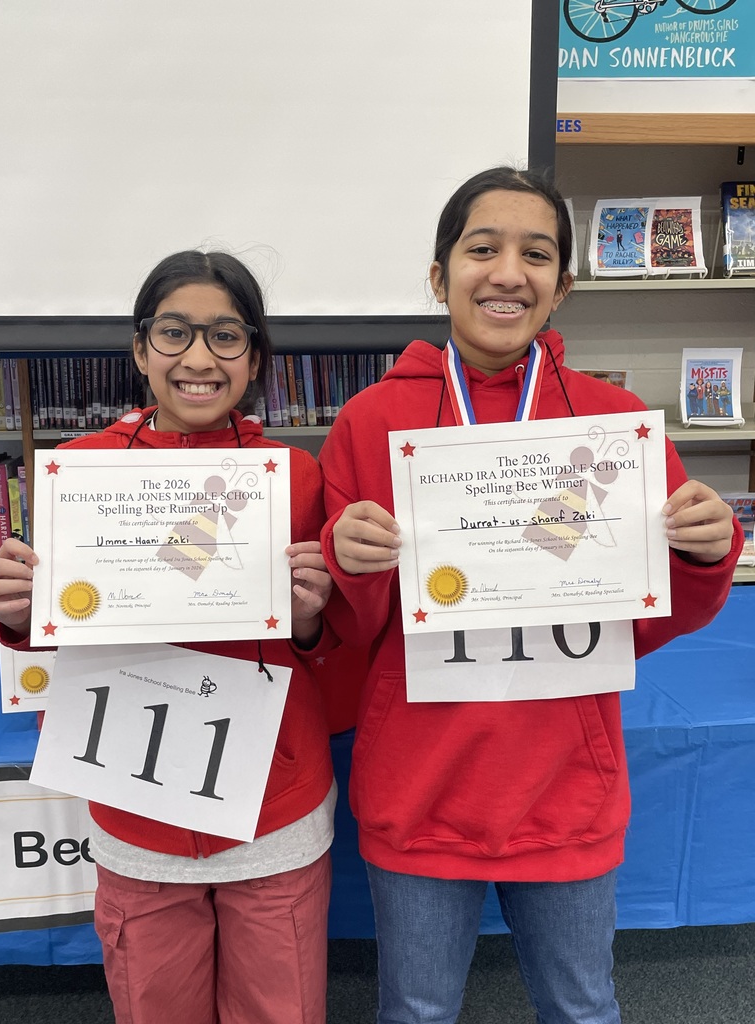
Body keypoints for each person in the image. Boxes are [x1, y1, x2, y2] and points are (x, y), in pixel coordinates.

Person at [318, 167, 742, 1024]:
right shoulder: (369, 421)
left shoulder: (611, 422)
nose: (508, 273)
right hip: (420, 788)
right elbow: (349, 632)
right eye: (483, 249)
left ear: (563, 286)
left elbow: (647, 620)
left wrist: (704, 555)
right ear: (439, 275)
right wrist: (348, 564)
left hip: (565, 788)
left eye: (536, 254)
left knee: (582, 1010)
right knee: (416, 1012)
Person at [0, 251, 338, 1024]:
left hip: (272, 807)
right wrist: (19, 614)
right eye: (175, 333)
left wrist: (311, 618)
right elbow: (60, 633)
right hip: (137, 807)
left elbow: (324, 648)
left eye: (226, 336)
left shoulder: (295, 475)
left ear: (255, 358)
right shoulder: (79, 473)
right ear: (141, 350)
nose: (199, 358)